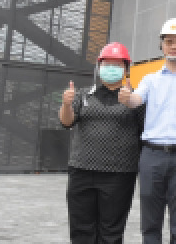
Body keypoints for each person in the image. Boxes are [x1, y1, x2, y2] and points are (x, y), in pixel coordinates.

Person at [119, 18, 176, 244]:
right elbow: (136, 100)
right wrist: (127, 98)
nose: (174, 46)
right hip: (151, 155)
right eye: (169, 41)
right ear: (161, 45)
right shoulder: (150, 79)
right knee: (150, 220)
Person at [59, 42, 144, 243]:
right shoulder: (83, 95)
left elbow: (145, 129)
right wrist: (66, 104)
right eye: (107, 64)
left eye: (117, 64)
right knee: (81, 229)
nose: (111, 68)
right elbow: (66, 122)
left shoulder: (136, 98)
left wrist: (130, 101)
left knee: (111, 231)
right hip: (81, 170)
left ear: (126, 68)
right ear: (99, 67)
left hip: (119, 174)